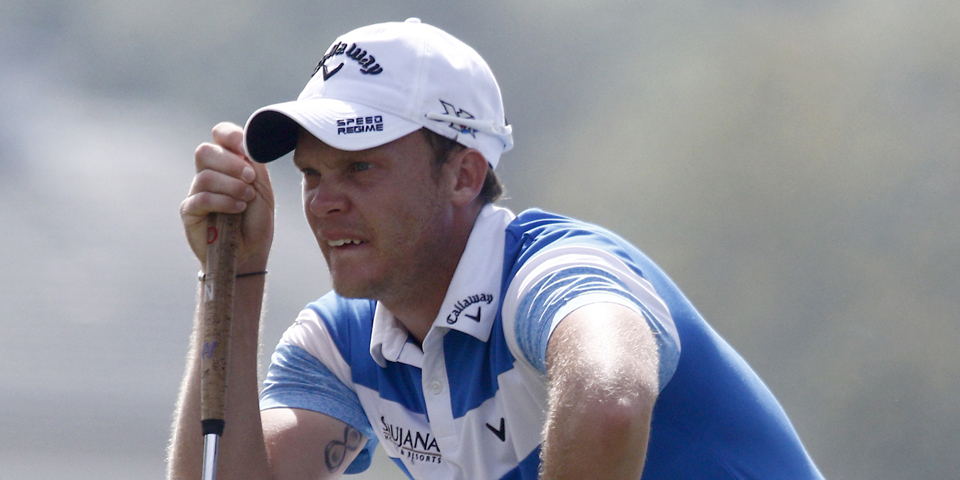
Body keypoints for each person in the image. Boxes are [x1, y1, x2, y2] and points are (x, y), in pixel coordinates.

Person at [169, 18, 824, 480]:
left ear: (464, 174)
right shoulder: (342, 341)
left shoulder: (554, 273)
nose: (322, 202)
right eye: (312, 174)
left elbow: (610, 405)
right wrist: (235, 277)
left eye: (360, 168)